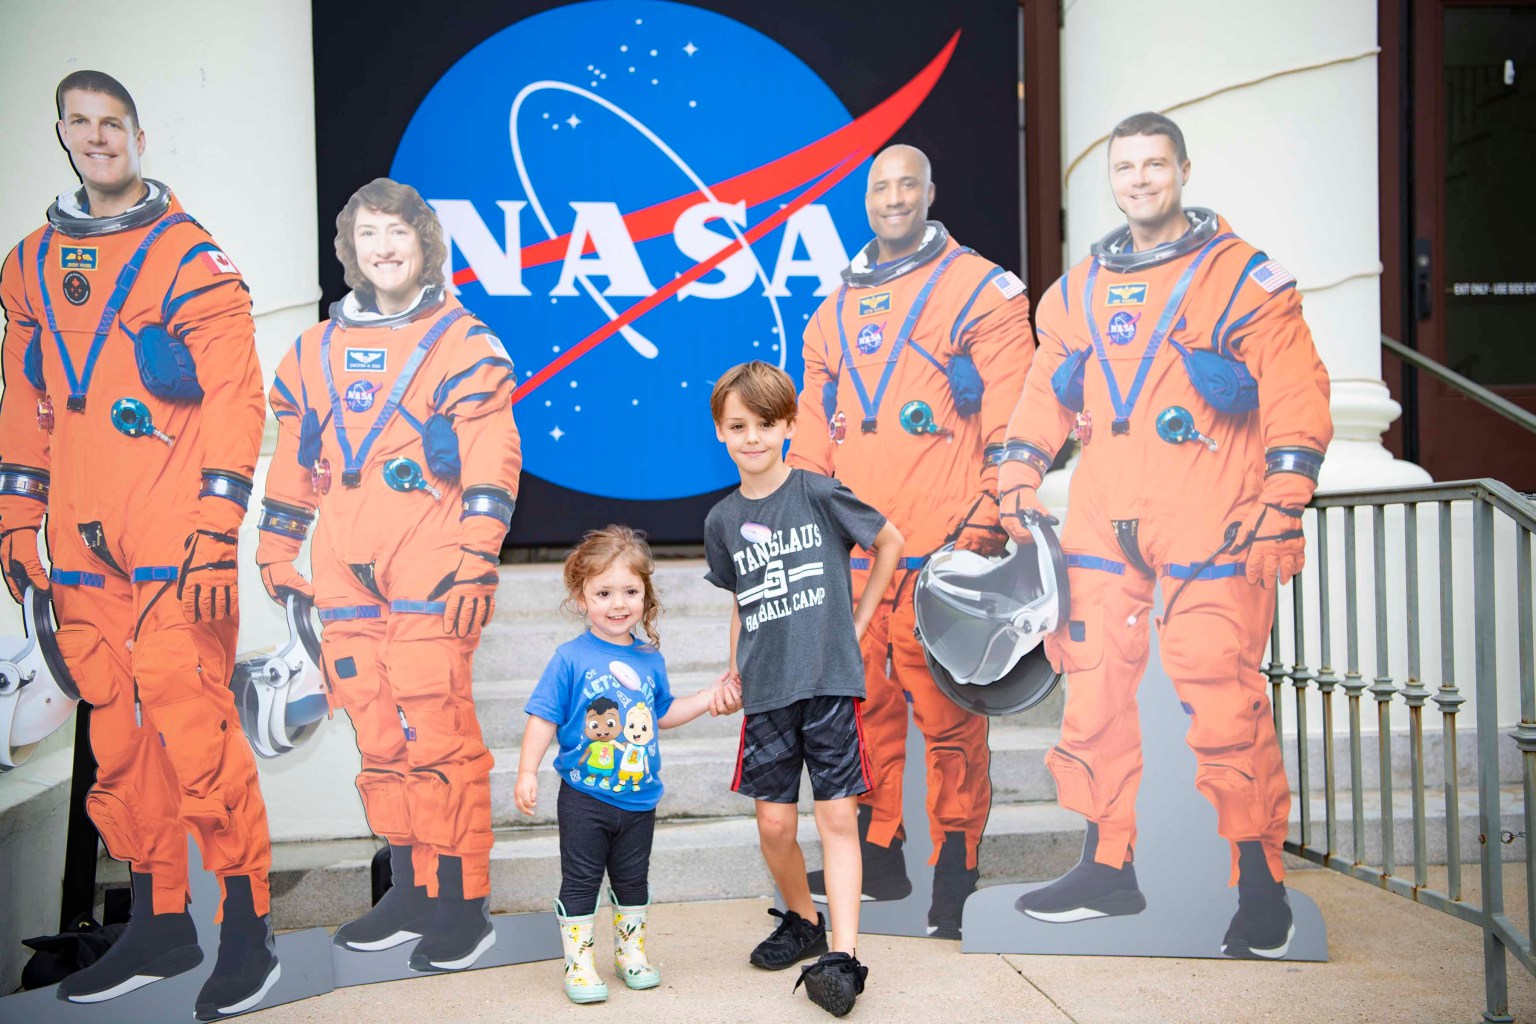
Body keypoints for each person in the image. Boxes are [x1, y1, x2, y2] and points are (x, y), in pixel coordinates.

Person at [999, 112, 1332, 958]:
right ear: (1110, 179)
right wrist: (1016, 474)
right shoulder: (1074, 292)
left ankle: (1261, 887)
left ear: (1182, 169)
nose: (1140, 179)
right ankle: (1108, 867)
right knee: (1094, 697)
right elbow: (1043, 396)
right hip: (1105, 519)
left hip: (1210, 514)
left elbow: (1296, 385)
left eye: (1155, 164)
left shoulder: (1241, 278)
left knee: (1222, 696)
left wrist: (1285, 497)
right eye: (1126, 167)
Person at [0, 71, 278, 1019]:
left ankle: (248, 932)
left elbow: (240, 399)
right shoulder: (30, 264)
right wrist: (12, 514)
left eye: (110, 122)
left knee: (195, 735)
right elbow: (28, 401)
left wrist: (214, 532)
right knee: (118, 746)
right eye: (78, 122)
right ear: (64, 136)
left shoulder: (190, 260)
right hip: (81, 548)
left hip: (171, 544)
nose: (95, 136)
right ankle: (161, 927)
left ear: (138, 135)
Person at [253, 178, 520, 972]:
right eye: (368, 234)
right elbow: (296, 465)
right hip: (343, 568)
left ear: (424, 242)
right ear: (351, 249)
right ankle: (408, 885)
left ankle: (462, 905)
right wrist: (276, 550)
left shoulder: (464, 342)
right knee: (374, 731)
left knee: (437, 733)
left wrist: (477, 559)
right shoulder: (311, 351)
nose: (383, 248)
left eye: (397, 233)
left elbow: (493, 459)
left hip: (429, 562)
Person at [786, 144, 1035, 937]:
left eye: (907, 184)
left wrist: (994, 515)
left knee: (951, 718)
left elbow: (1016, 418)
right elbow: (809, 439)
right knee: (862, 711)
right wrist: (801, 532)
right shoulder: (831, 310)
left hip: (943, 546)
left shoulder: (983, 291)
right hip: (861, 555)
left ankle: (956, 872)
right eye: (879, 187)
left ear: (932, 191)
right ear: (867, 201)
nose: (893, 198)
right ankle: (879, 852)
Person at [704, 360, 904, 1017]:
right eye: (739, 426)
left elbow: (890, 542)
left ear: (790, 425)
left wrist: (860, 621)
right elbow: (741, 600)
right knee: (773, 823)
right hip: (765, 691)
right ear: (721, 433)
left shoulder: (820, 494)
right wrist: (731, 668)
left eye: (766, 423)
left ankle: (842, 957)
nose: (753, 437)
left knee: (838, 815)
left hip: (827, 682)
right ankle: (801, 920)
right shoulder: (722, 520)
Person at [514, 525, 742, 1004]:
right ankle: (579, 966)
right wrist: (526, 772)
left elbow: (660, 714)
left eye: (630, 592)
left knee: (633, 881)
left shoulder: (648, 657)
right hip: (584, 796)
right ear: (581, 598)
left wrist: (704, 699)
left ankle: (630, 955)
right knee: (580, 881)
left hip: (640, 798)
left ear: (645, 594)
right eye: (603, 593)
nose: (617, 604)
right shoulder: (569, 658)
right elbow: (542, 718)